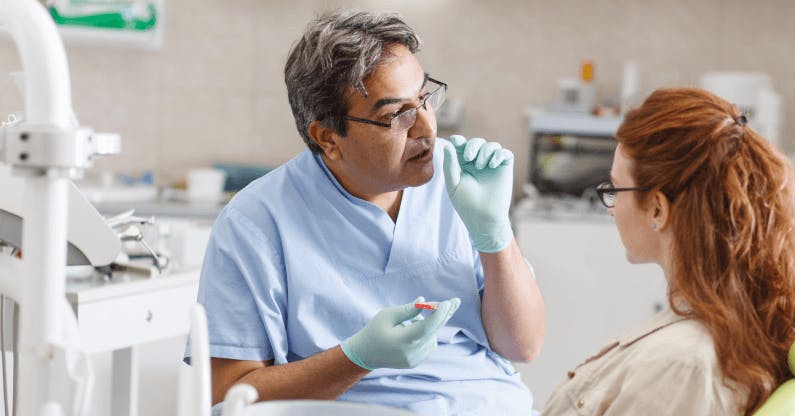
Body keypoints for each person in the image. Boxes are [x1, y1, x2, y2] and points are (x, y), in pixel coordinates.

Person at [188, 10, 545, 415]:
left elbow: (524, 345)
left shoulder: (459, 179)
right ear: (327, 138)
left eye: (425, 99)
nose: (426, 128)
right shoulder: (255, 222)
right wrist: (356, 358)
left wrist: (495, 234)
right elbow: (229, 394)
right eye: (396, 115)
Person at [541, 88, 795, 415]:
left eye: (615, 189)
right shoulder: (725, 329)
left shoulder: (681, 366)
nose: (612, 208)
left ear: (656, 209)